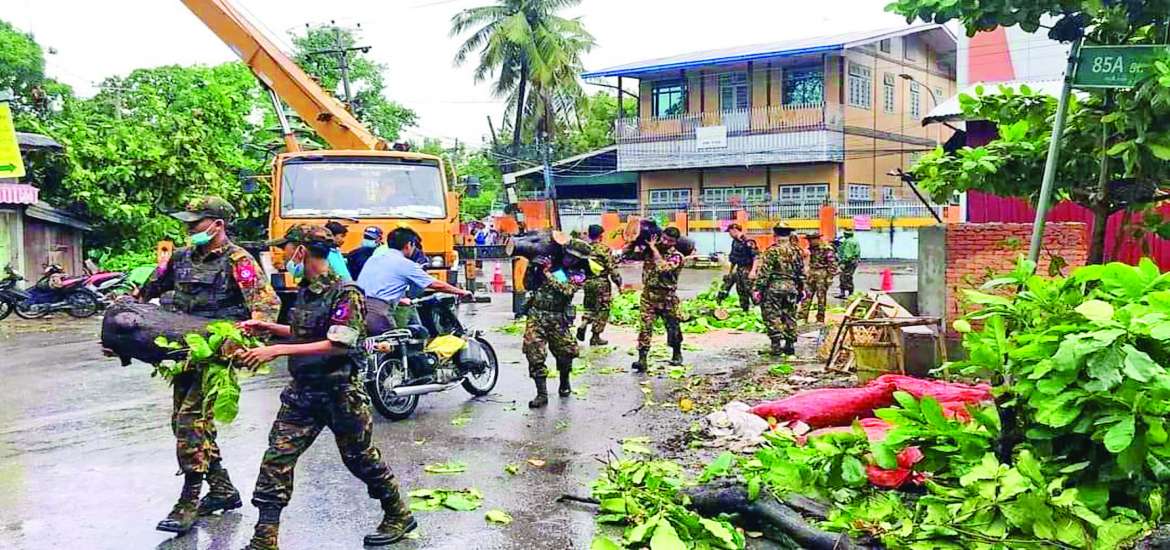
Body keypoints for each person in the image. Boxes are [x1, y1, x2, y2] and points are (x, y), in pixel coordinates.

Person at [235, 225, 416, 549]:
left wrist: (277, 350)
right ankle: (264, 540)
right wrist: (270, 328)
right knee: (277, 460)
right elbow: (305, 331)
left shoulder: (347, 292)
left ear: (301, 251)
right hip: (302, 393)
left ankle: (398, 513)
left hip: (339, 392)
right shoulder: (305, 289)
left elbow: (338, 343)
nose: (283, 256)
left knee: (360, 459)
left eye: (287, 249)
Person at [140, 196, 280, 535]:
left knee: (191, 423)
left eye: (195, 222)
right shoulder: (181, 258)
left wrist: (247, 342)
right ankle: (222, 489)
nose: (188, 228)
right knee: (183, 423)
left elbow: (266, 305)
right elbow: (146, 293)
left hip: (217, 355)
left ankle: (189, 498)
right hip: (184, 352)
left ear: (217, 225)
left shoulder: (239, 260)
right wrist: (123, 324)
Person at [357, 227, 471, 335]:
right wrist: (462, 292)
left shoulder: (374, 259)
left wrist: (400, 300)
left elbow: (379, 286)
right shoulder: (405, 264)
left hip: (357, 308)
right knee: (395, 347)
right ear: (409, 245)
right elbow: (434, 284)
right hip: (378, 313)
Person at [522, 238, 591, 407]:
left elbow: (566, 290)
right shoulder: (552, 264)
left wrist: (547, 273)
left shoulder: (578, 273)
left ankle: (564, 381)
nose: (569, 259)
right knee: (534, 352)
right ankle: (542, 394)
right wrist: (532, 267)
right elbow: (527, 284)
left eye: (574, 257)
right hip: (536, 315)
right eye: (568, 255)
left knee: (566, 353)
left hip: (558, 318)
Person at [625, 227, 685, 371]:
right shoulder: (649, 251)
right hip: (648, 296)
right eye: (664, 238)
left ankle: (677, 353)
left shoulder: (677, 256)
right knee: (645, 327)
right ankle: (642, 359)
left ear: (675, 242)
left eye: (669, 241)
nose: (665, 242)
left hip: (667, 297)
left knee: (673, 327)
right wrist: (633, 242)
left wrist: (653, 249)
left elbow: (662, 267)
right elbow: (627, 255)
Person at [754, 224, 804, 356]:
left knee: (772, 315)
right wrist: (801, 288)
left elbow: (765, 272)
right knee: (790, 315)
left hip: (774, 287)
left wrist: (758, 288)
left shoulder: (772, 251)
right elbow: (801, 271)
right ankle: (789, 345)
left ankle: (775, 346)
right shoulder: (797, 250)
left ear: (775, 235)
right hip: (791, 287)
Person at [576, 224, 622, 346]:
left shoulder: (584, 249)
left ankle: (584, 322)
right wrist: (618, 283)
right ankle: (595, 336)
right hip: (601, 283)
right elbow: (611, 268)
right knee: (603, 309)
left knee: (589, 306)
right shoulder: (604, 249)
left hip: (588, 282)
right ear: (601, 236)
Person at [717, 223, 758, 311]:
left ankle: (759, 309)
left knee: (751, 291)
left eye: (730, 232)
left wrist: (753, 271)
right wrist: (730, 272)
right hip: (739, 269)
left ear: (734, 230)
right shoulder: (735, 241)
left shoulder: (748, 241)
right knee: (741, 291)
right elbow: (733, 259)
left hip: (748, 269)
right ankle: (745, 310)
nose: (729, 234)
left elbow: (756, 257)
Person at [799, 232, 839, 324]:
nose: (810, 242)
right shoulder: (809, 249)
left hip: (822, 274)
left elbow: (832, 264)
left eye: (812, 239)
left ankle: (820, 318)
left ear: (817, 239)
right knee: (806, 296)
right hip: (811, 273)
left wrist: (830, 277)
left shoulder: (827, 248)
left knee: (821, 298)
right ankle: (802, 317)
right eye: (809, 240)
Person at [835, 229, 861, 298]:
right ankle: (846, 293)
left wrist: (843, 262)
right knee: (847, 276)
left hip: (848, 262)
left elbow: (847, 254)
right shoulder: (855, 240)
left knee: (845, 277)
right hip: (854, 261)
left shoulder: (848, 242)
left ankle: (848, 293)